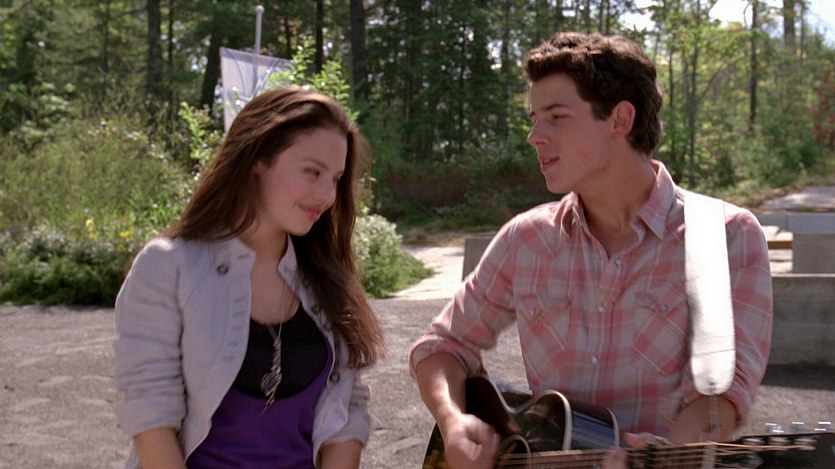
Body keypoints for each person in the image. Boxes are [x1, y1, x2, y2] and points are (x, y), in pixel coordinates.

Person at [410, 32, 773, 468]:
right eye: (534, 118)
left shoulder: (725, 237)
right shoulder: (525, 240)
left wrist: (667, 457)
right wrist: (453, 422)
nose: (534, 136)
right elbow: (441, 345)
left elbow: (719, 398)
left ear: (620, 119)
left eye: (556, 117)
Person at [113, 86, 386, 469]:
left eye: (336, 179)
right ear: (259, 156)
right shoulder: (168, 267)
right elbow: (149, 412)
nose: (327, 195)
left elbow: (349, 407)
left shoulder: (327, 278)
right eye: (312, 172)